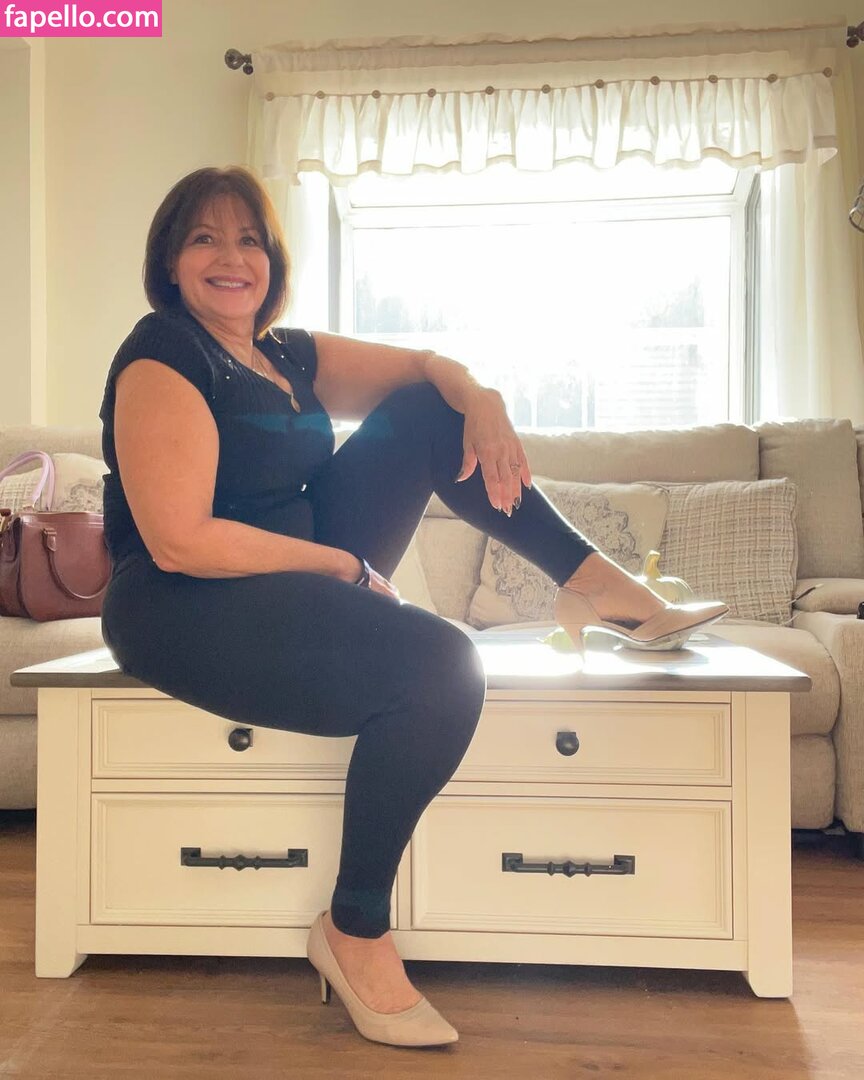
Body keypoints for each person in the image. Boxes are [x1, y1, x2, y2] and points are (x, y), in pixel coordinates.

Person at [99, 166, 727, 1049]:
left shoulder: (284, 354)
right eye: (204, 238)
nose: (231, 258)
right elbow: (180, 541)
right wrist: (342, 565)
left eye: (248, 239)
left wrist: (483, 399)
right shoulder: (164, 356)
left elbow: (429, 369)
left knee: (433, 410)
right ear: (170, 262)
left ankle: (593, 581)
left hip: (290, 574)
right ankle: (353, 931)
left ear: (273, 259)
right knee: (441, 662)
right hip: (183, 601)